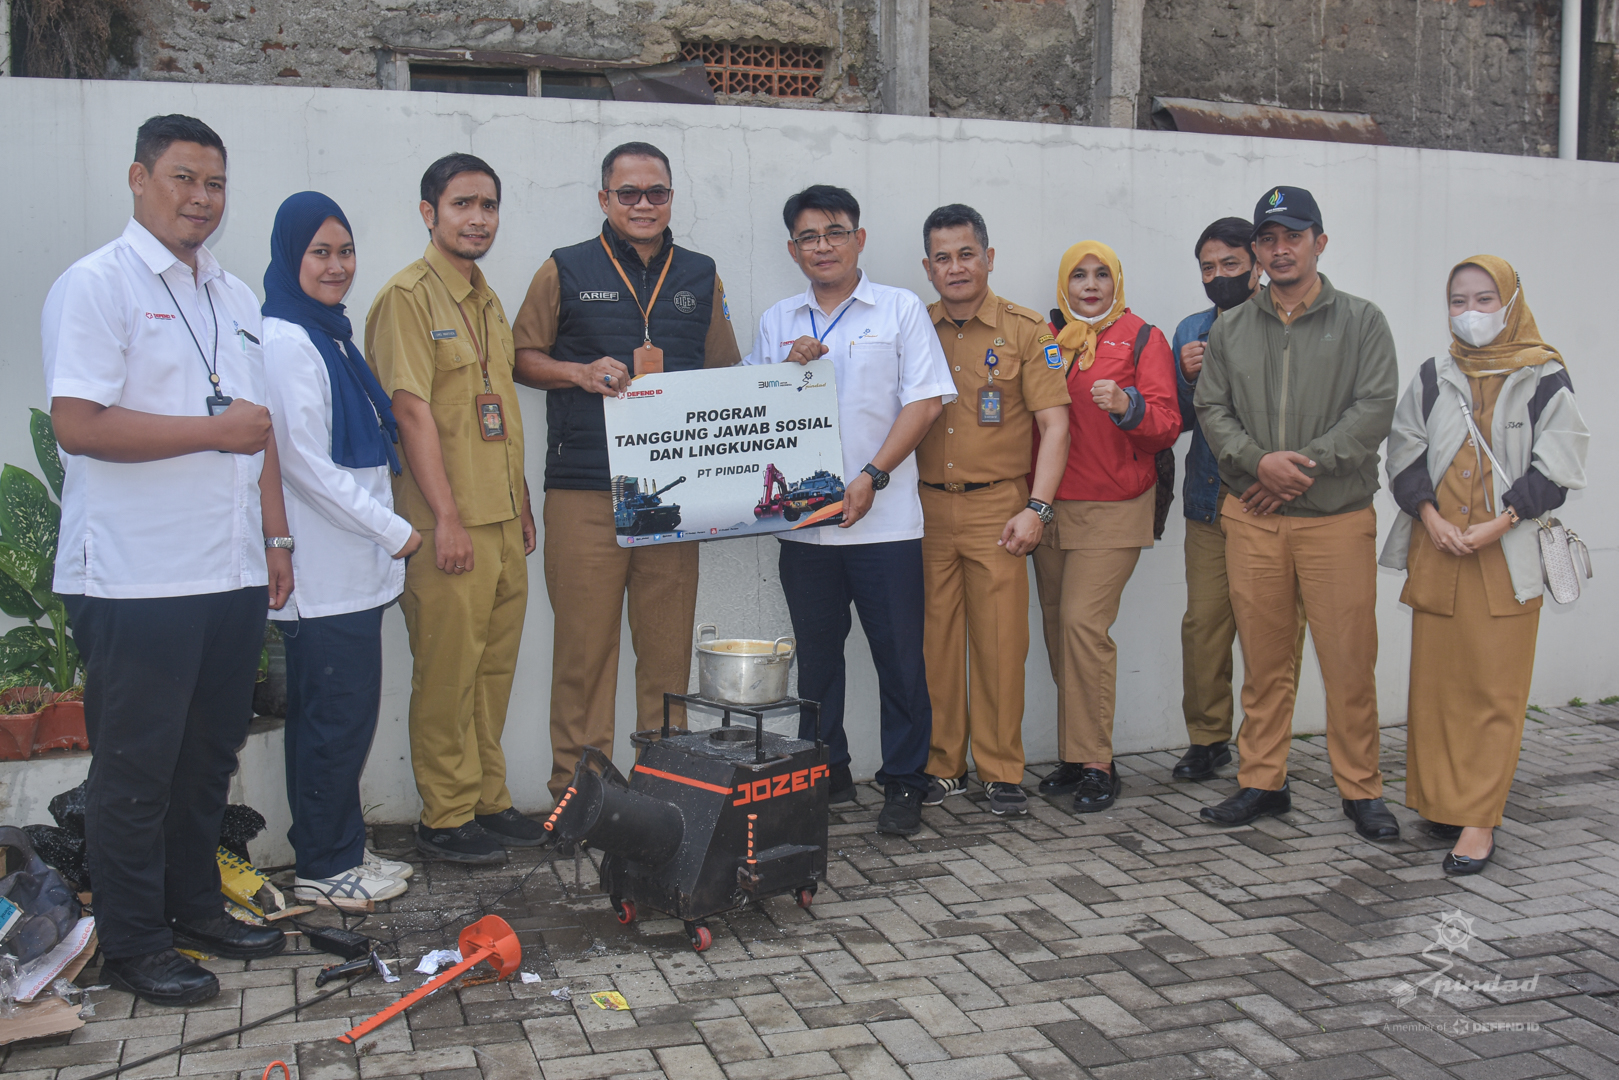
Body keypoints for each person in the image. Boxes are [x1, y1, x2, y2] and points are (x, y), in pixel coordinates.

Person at [42, 114, 290, 1005]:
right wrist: (211, 433)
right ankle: (134, 941)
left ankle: (194, 908)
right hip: (139, 577)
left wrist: (275, 539)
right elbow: (80, 424)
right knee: (136, 769)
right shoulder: (96, 286)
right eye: (183, 179)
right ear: (140, 179)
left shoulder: (232, 296)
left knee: (204, 761)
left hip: (227, 571)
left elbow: (256, 433)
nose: (200, 199)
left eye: (214, 184)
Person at [511, 141, 741, 805]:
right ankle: (576, 797)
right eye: (629, 193)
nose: (643, 205)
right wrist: (576, 373)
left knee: (666, 657)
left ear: (671, 197)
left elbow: (725, 376)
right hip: (584, 492)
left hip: (672, 496)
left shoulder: (701, 276)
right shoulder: (564, 269)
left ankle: (665, 792)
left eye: (656, 193)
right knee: (584, 655)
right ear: (604, 199)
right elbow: (522, 356)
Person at [745, 185, 954, 836]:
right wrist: (783, 369)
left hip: (884, 526)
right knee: (817, 662)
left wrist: (870, 478)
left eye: (834, 232)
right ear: (791, 249)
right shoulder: (779, 320)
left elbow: (924, 404)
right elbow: (750, 414)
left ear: (858, 238)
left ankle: (903, 781)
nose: (822, 246)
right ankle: (822, 774)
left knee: (899, 660)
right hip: (804, 533)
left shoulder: (897, 311)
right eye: (808, 237)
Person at [1193, 185, 1400, 840]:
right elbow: (1212, 411)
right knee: (1264, 659)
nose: (1280, 250)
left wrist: (1290, 471)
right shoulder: (1231, 328)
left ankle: (1360, 789)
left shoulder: (1362, 320)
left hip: (1335, 521)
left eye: (1292, 236)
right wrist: (1258, 464)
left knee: (1347, 660)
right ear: (1256, 251)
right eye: (1268, 239)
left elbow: (1371, 413)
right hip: (1252, 520)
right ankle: (1261, 782)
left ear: (1319, 241)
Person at [1381, 256, 1587, 874]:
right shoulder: (1433, 373)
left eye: (1483, 299)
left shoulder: (1544, 374)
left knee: (1494, 690)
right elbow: (1403, 448)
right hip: (1439, 549)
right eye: (1457, 301)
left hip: (1506, 555)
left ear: (1512, 301)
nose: (1470, 313)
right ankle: (1444, 802)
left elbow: (1559, 464)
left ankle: (1479, 821)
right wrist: (1432, 517)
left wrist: (1499, 524)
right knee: (1439, 688)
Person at [365, 154, 539, 865]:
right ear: (428, 212)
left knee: (492, 672)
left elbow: (496, 412)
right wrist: (447, 519)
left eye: (488, 205)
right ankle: (444, 816)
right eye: (463, 204)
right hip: (447, 526)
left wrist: (520, 500)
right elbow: (411, 414)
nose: (477, 218)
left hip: (499, 521)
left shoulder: (487, 299)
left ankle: (487, 801)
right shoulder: (407, 298)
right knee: (446, 673)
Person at [262, 191, 420, 908]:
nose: (336, 266)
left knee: (340, 719)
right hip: (327, 572)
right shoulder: (287, 340)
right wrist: (395, 531)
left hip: (354, 571)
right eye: (319, 252)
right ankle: (326, 867)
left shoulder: (327, 334)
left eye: (345, 251)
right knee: (332, 722)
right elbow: (303, 464)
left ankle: (339, 847)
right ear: (289, 257)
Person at [914, 205, 1070, 818]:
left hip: (1000, 510)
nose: (956, 267)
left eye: (966, 253)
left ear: (989, 257)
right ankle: (942, 766)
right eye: (943, 257)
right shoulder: (914, 327)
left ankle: (1002, 771)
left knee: (1003, 645)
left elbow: (1056, 427)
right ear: (928, 268)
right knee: (936, 644)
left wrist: (1038, 508)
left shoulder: (1028, 331)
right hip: (925, 510)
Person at [1031, 242, 1180, 813]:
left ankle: (1097, 762)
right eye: (1077, 275)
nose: (1089, 285)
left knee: (1081, 624)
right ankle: (1074, 753)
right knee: (1056, 627)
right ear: (1063, 283)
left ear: (1116, 280)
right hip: (1049, 506)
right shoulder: (1045, 335)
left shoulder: (1143, 337)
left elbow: (1166, 423)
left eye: (1100, 275)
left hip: (1115, 504)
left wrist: (1128, 404)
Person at [1169, 218, 1305, 782]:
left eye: (1229, 264)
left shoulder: (1284, 323)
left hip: (1268, 501)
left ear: (1254, 261)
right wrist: (1183, 376)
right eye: (1207, 267)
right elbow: (1175, 419)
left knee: (1271, 629)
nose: (1218, 276)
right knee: (1204, 625)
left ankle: (1265, 746)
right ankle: (1208, 738)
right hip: (1207, 500)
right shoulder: (1191, 330)